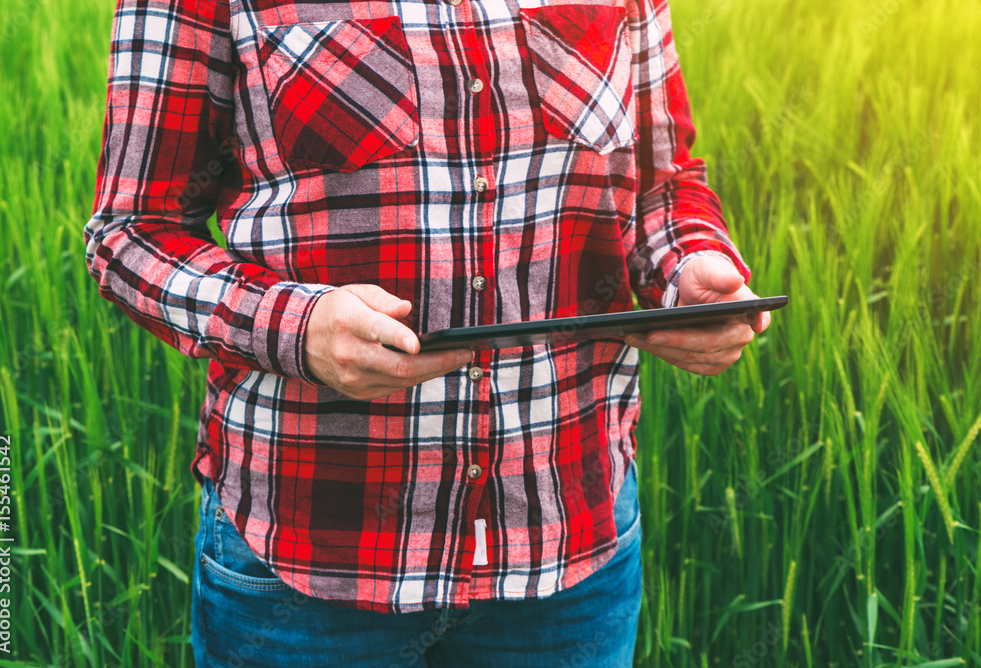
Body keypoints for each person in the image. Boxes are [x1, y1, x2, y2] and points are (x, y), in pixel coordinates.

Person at [85, 0, 770, 664]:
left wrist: (687, 264)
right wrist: (297, 326)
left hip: (569, 544)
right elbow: (131, 234)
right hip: (308, 561)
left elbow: (661, 181)